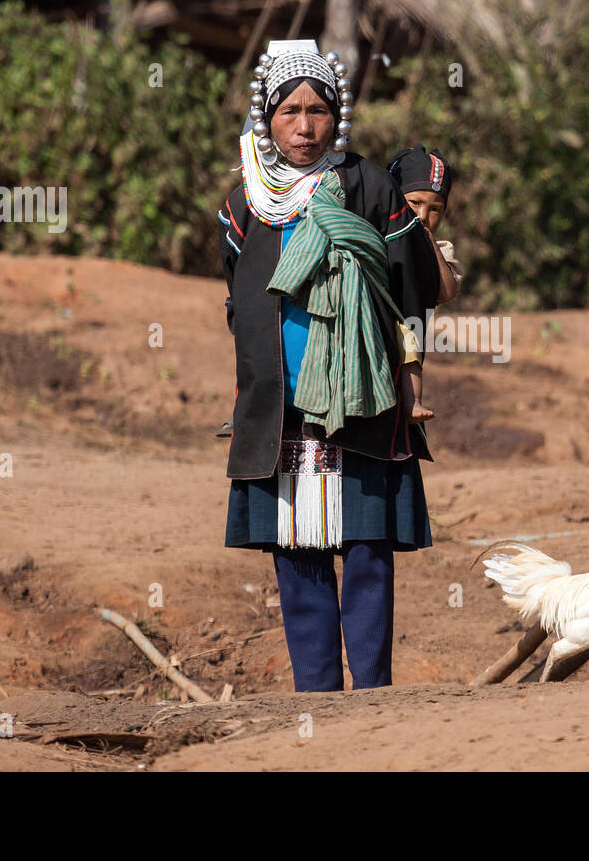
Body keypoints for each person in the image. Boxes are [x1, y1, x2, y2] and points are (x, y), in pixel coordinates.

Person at [218, 39, 441, 692]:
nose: (305, 126)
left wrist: (408, 374)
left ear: (336, 114)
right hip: (279, 411)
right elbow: (238, 305)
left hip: (364, 401)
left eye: (318, 109)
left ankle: (370, 699)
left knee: (367, 551)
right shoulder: (244, 206)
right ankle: (315, 698)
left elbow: (414, 289)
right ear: (268, 116)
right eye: (290, 111)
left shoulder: (369, 188)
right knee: (297, 550)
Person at [387, 144, 462, 421]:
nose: (422, 216)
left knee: (410, 343)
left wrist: (429, 247)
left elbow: (447, 291)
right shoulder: (375, 235)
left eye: (435, 209)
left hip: (409, 330)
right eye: (414, 203)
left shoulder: (441, 247)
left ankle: (413, 401)